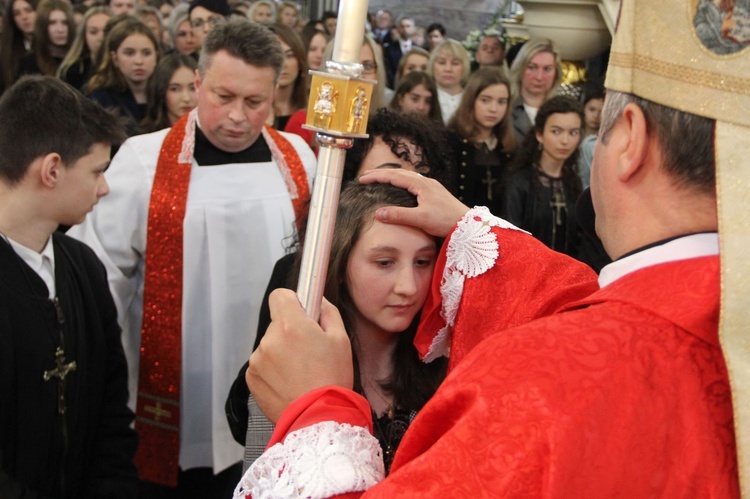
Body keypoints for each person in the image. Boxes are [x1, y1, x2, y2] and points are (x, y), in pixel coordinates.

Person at [232, 0, 743, 496]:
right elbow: (571, 303)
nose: (408, 284)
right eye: (384, 261)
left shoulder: (532, 377)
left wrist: (316, 421)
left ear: (630, 139)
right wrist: (467, 226)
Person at [68, 19, 316, 497]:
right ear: (197, 83)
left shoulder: (299, 161)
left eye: (255, 102)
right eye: (223, 97)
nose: (238, 117)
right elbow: (101, 283)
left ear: (276, 92)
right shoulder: (143, 162)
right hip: (180, 386)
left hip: (274, 374)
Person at [225, 108, 454, 464]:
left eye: (422, 177)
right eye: (384, 262)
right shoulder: (302, 299)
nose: (405, 191)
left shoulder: (448, 359)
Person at [0, 75, 138, 499]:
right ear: (52, 169)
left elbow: (112, 409)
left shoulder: (83, 266)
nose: (105, 187)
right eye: (97, 170)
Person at [502, 95, 583, 258]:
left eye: (573, 132)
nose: (565, 141)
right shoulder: (520, 182)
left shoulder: (573, 182)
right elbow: (510, 240)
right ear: (540, 134)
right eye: (556, 131)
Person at [447, 67, 516, 215]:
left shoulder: (509, 147)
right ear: (471, 100)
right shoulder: (451, 142)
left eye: (501, 102)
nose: (493, 109)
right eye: (485, 100)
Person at [87, 17, 160, 136]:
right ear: (115, 58)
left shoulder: (165, 94)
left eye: (146, 53)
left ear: (156, 56)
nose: (139, 61)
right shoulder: (101, 100)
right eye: (129, 53)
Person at [508, 37, 562, 142]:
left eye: (547, 69)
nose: (539, 77)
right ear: (520, 68)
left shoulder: (562, 111)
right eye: (532, 67)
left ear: (556, 73)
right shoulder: (505, 108)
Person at [137, 53, 197, 133]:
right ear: (161, 92)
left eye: (193, 88)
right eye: (175, 89)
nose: (186, 98)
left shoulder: (214, 138)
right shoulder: (142, 141)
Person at [57, 5, 112, 91]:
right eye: (93, 32)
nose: (101, 38)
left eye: (106, 31)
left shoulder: (124, 70)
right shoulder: (72, 71)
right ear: (84, 36)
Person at [17, 0, 74, 78]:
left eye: (65, 22)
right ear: (42, 26)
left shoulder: (81, 62)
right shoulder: (29, 62)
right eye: (52, 23)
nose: (60, 29)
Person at [429, 39, 471, 125]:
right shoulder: (426, 98)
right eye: (441, 62)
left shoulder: (471, 99)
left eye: (455, 63)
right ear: (432, 65)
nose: (448, 69)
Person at [0, 0, 38, 94]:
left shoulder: (52, 47)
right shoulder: (6, 52)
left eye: (28, 10)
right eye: (17, 14)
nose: (24, 17)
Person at [383, 15, 416, 89]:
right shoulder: (389, 49)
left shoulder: (418, 48)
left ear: (413, 28)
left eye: (408, 26)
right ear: (398, 29)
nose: (405, 29)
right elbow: (388, 71)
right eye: (402, 26)